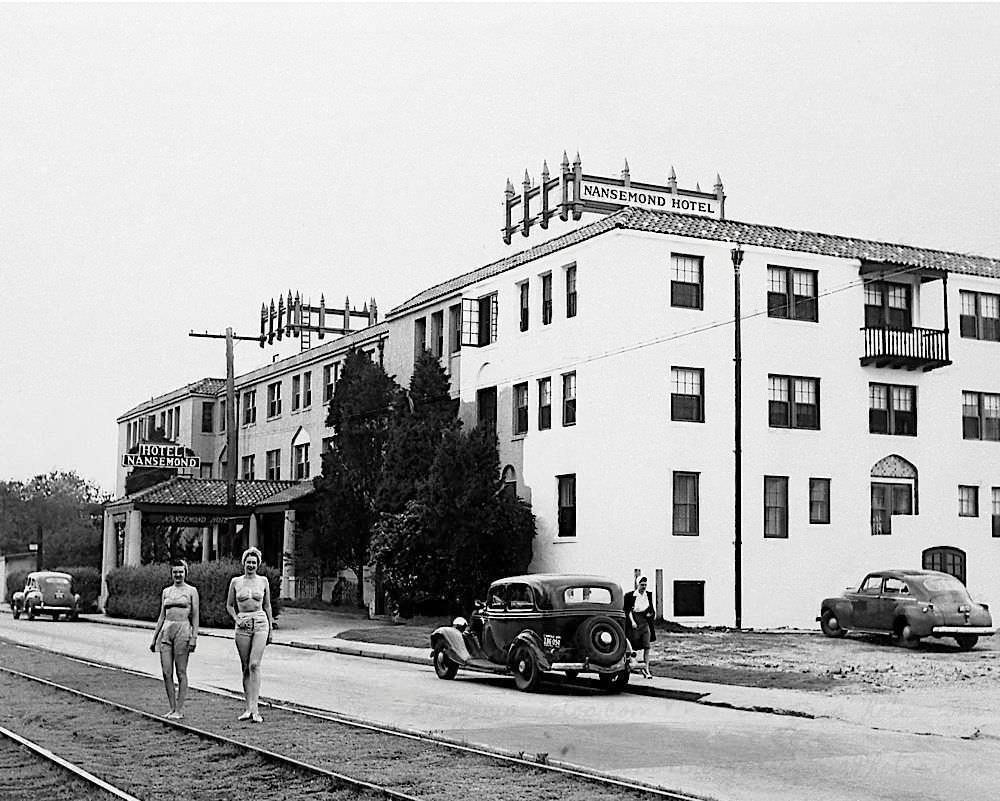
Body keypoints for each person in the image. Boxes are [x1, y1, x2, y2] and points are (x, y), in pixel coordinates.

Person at [226, 546, 274, 723]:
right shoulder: (236, 582)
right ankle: (248, 707)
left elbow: (268, 605)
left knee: (255, 664)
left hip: (261, 622)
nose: (251, 565)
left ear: (258, 564)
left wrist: (271, 628)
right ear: (244, 563)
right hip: (243, 624)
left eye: (254, 562)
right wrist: (236, 619)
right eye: (248, 562)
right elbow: (230, 605)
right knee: (246, 666)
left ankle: (256, 709)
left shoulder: (263, 581)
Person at [149, 558, 199, 719]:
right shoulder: (166, 592)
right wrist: (154, 637)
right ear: (172, 574)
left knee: (181, 671)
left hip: (183, 629)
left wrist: (194, 637)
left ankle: (179, 709)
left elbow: (196, 616)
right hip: (166, 631)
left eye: (181, 572)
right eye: (175, 572)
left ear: (185, 572)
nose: (178, 575)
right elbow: (161, 616)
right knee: (166, 672)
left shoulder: (191, 591)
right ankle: (171, 707)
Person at [624, 575, 656, 678]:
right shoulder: (630, 596)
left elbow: (651, 609)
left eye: (645, 585)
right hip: (634, 622)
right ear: (638, 585)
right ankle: (635, 666)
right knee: (633, 647)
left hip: (645, 622)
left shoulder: (648, 595)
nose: (644, 587)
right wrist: (632, 622)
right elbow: (627, 610)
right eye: (642, 585)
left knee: (647, 646)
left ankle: (646, 668)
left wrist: (650, 614)